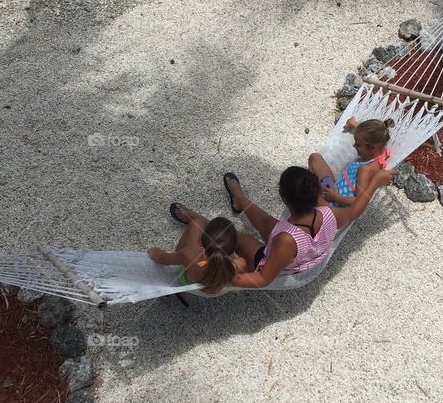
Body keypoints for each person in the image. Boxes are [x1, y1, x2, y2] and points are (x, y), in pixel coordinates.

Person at [223, 165, 393, 289]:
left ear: (283, 198)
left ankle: (239, 197)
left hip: (284, 263)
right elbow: (356, 210)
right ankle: (240, 198)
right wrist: (375, 182)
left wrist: (226, 279)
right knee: (266, 222)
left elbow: (263, 279)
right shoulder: (329, 214)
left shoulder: (286, 239)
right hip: (307, 253)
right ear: (316, 192)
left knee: (233, 235)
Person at [148, 207, 246, 294]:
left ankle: (196, 221)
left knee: (197, 222)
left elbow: (163, 259)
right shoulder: (238, 265)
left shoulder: (187, 256)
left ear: (201, 245)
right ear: (233, 252)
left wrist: (154, 252)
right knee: (198, 224)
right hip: (214, 288)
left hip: (187, 280)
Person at [307, 117, 393, 208]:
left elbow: (359, 202)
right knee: (315, 158)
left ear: (372, 147)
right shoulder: (378, 149)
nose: (354, 145)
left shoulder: (366, 169)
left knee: (303, 197)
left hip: (333, 208)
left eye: (358, 144)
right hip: (334, 190)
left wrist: (336, 197)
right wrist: (354, 124)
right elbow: (369, 136)